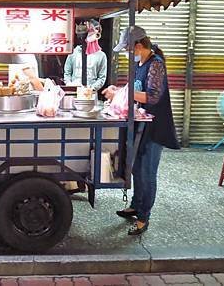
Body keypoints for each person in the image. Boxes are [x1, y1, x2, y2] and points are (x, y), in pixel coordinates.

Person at [102, 26, 180, 236]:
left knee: (147, 174)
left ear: (138, 45)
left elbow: (152, 97)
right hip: (140, 124)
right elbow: (133, 91)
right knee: (136, 168)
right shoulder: (139, 63)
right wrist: (117, 91)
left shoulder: (156, 65)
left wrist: (121, 93)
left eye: (130, 48)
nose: (129, 52)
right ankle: (136, 205)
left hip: (155, 127)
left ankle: (144, 217)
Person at [64, 20, 107, 91]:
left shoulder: (101, 56)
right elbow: (67, 73)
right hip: (74, 91)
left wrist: (92, 88)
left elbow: (102, 77)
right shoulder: (73, 52)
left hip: (90, 93)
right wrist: (69, 85)